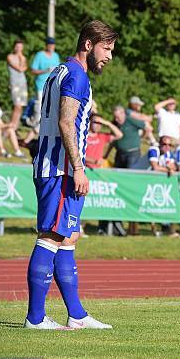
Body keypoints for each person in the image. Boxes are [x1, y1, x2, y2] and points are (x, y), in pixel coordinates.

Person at [27, 20, 118, 330]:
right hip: (60, 168)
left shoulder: (60, 71)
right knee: (52, 235)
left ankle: (76, 315)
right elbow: (67, 123)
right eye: (107, 48)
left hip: (54, 165)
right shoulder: (77, 76)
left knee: (69, 236)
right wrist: (78, 168)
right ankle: (35, 319)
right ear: (89, 45)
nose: (110, 56)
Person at [29, 37, 60, 130]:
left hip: (53, 85)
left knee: (51, 105)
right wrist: (45, 71)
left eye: (53, 45)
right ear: (46, 45)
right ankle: (36, 125)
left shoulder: (56, 56)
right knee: (40, 105)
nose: (51, 46)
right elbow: (33, 70)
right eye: (49, 44)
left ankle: (44, 125)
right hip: (41, 84)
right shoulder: (40, 55)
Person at [7, 39, 28, 129]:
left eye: (20, 47)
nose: (19, 48)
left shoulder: (23, 58)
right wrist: (20, 58)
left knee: (21, 106)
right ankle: (11, 126)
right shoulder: (10, 57)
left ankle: (15, 127)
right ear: (14, 47)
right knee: (17, 105)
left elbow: (24, 68)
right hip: (14, 83)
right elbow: (19, 68)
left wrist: (21, 58)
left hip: (22, 83)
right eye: (17, 46)